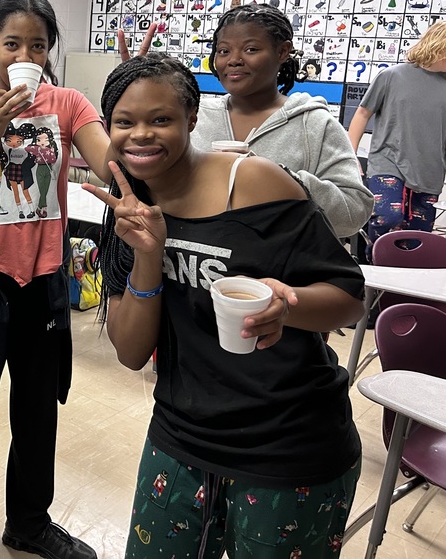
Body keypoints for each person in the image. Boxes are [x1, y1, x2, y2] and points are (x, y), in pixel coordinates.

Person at [88, 54, 364, 559]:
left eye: (161, 119)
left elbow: (349, 298)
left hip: (290, 445)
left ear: (193, 119)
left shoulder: (255, 182)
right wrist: (149, 256)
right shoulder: (128, 205)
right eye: (124, 122)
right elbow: (130, 352)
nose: (141, 135)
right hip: (180, 437)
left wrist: (289, 306)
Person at [0, 0, 115, 559]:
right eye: (12, 43)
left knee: (38, 411)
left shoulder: (68, 103)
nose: (24, 53)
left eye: (37, 45)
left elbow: (110, 159)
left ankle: (29, 524)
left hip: (43, 281)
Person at [191, 4, 372, 239]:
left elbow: (353, 215)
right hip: (196, 268)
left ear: (282, 52)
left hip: (279, 274)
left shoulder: (314, 123)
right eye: (223, 51)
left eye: (251, 49)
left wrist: (278, 180)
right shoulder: (195, 118)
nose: (234, 60)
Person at [347, 20, 446, 248]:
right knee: (387, 218)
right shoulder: (391, 76)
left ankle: (395, 282)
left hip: (429, 170)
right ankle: (373, 269)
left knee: (416, 238)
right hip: (388, 161)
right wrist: (349, 153)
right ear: (439, 47)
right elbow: (362, 113)